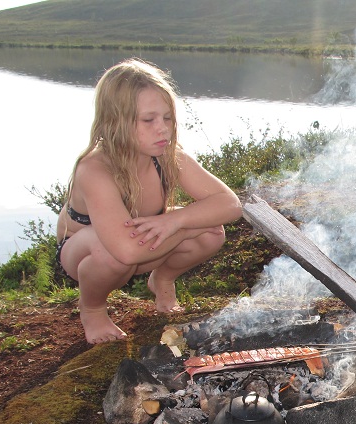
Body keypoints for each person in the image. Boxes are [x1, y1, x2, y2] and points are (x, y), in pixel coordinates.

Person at [56, 58, 242, 344]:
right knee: (111, 252)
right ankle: (92, 309)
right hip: (88, 256)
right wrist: (186, 226)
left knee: (212, 232)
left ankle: (162, 280)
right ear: (114, 121)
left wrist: (176, 219)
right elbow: (126, 251)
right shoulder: (94, 168)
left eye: (167, 118)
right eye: (148, 120)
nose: (163, 129)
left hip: (142, 247)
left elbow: (230, 204)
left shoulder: (168, 156)